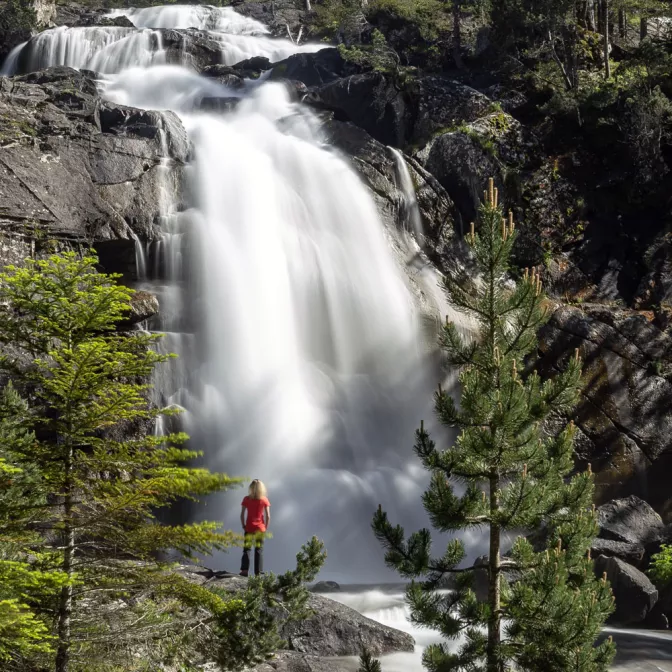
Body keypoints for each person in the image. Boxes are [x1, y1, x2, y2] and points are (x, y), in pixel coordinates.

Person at [240, 479, 270, 577]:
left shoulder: (246, 499)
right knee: (259, 550)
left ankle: (244, 570)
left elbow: (242, 514)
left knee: (247, 549)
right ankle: (258, 573)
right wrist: (265, 528)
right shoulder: (264, 499)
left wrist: (244, 525)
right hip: (260, 528)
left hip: (249, 527)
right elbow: (268, 516)